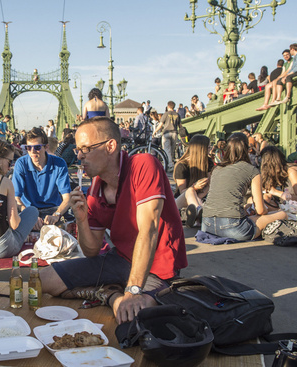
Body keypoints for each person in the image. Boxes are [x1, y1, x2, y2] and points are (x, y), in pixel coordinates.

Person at [39, 116, 187, 324]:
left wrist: (133, 290)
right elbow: (91, 251)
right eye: (77, 150)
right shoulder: (95, 188)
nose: (79, 156)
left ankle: (122, 292)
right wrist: (82, 220)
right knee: (43, 280)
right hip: (120, 259)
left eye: (86, 149)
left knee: (139, 313)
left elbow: (149, 230)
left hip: (157, 265)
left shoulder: (143, 165)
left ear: (110, 146)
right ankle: (110, 295)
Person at [202, 133, 286, 241]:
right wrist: (264, 211)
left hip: (206, 225)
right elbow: (260, 210)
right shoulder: (252, 170)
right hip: (232, 227)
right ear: (247, 148)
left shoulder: (217, 169)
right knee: (282, 214)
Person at [12, 127, 71, 229]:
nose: (32, 152)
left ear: (46, 147)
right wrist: (29, 216)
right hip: (28, 209)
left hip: (53, 210)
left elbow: (67, 198)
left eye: (37, 147)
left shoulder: (59, 163)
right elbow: (16, 198)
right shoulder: (21, 163)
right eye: (28, 148)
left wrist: (56, 215)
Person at [173, 135, 213, 228]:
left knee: (194, 195)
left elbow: (209, 185)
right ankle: (199, 213)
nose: (210, 150)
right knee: (190, 191)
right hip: (181, 201)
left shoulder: (208, 162)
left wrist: (198, 197)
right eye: (208, 147)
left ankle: (196, 214)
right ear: (201, 149)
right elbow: (182, 191)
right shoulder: (182, 165)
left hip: (200, 198)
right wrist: (195, 188)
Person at [259, 146, 297, 212]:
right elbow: (268, 195)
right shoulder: (275, 173)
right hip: (288, 205)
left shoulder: (291, 171)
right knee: (254, 202)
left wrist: (276, 192)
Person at [153, 101, 180, 172]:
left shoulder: (166, 114)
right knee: (172, 150)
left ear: (168, 106)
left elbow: (160, 124)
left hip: (166, 133)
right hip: (174, 133)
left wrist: (155, 131)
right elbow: (180, 126)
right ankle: (170, 164)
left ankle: (170, 165)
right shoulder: (177, 114)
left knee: (166, 149)